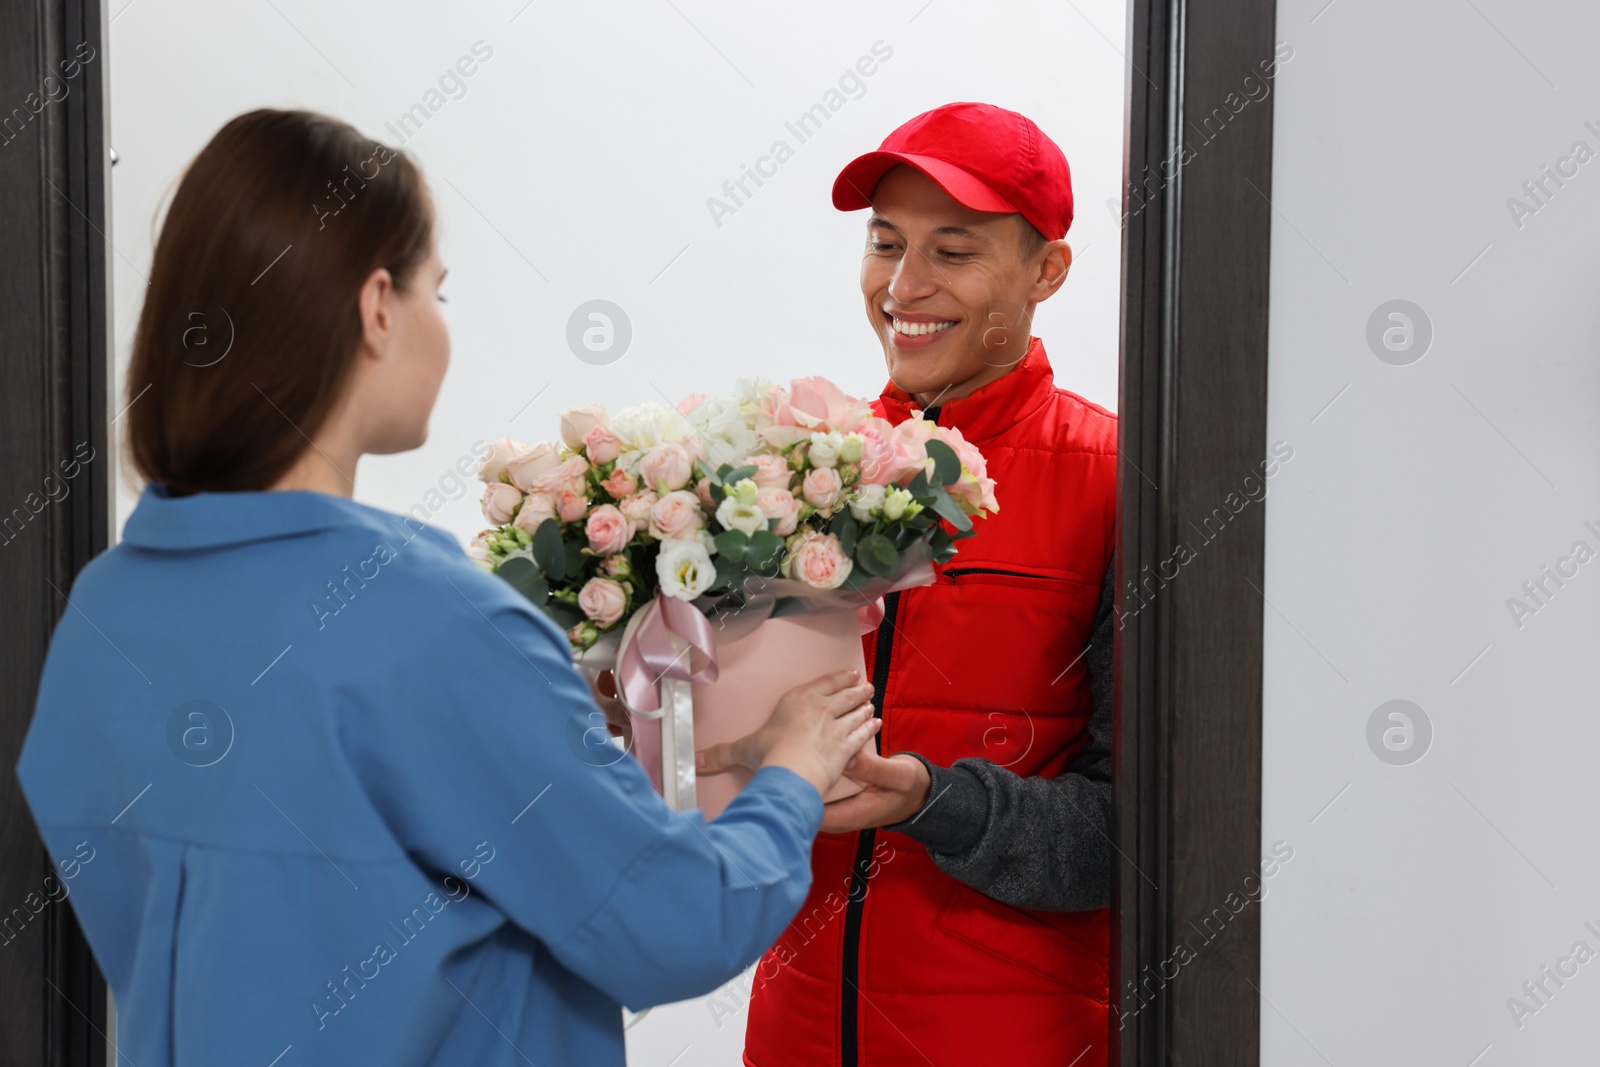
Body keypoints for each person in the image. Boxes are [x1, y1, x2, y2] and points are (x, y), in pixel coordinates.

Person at [13, 108, 881, 1067]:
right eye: (440, 289)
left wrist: (682, 758)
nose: (442, 323)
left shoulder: (111, 608)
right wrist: (793, 772)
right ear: (377, 305)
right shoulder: (424, 617)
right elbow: (674, 926)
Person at [706, 102, 1118, 1066]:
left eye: (954, 251)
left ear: (1047, 270)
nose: (904, 285)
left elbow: (1142, 835)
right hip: (794, 1032)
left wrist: (932, 800)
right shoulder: (792, 467)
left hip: (1012, 1039)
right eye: (885, 243)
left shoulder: (1118, 479)